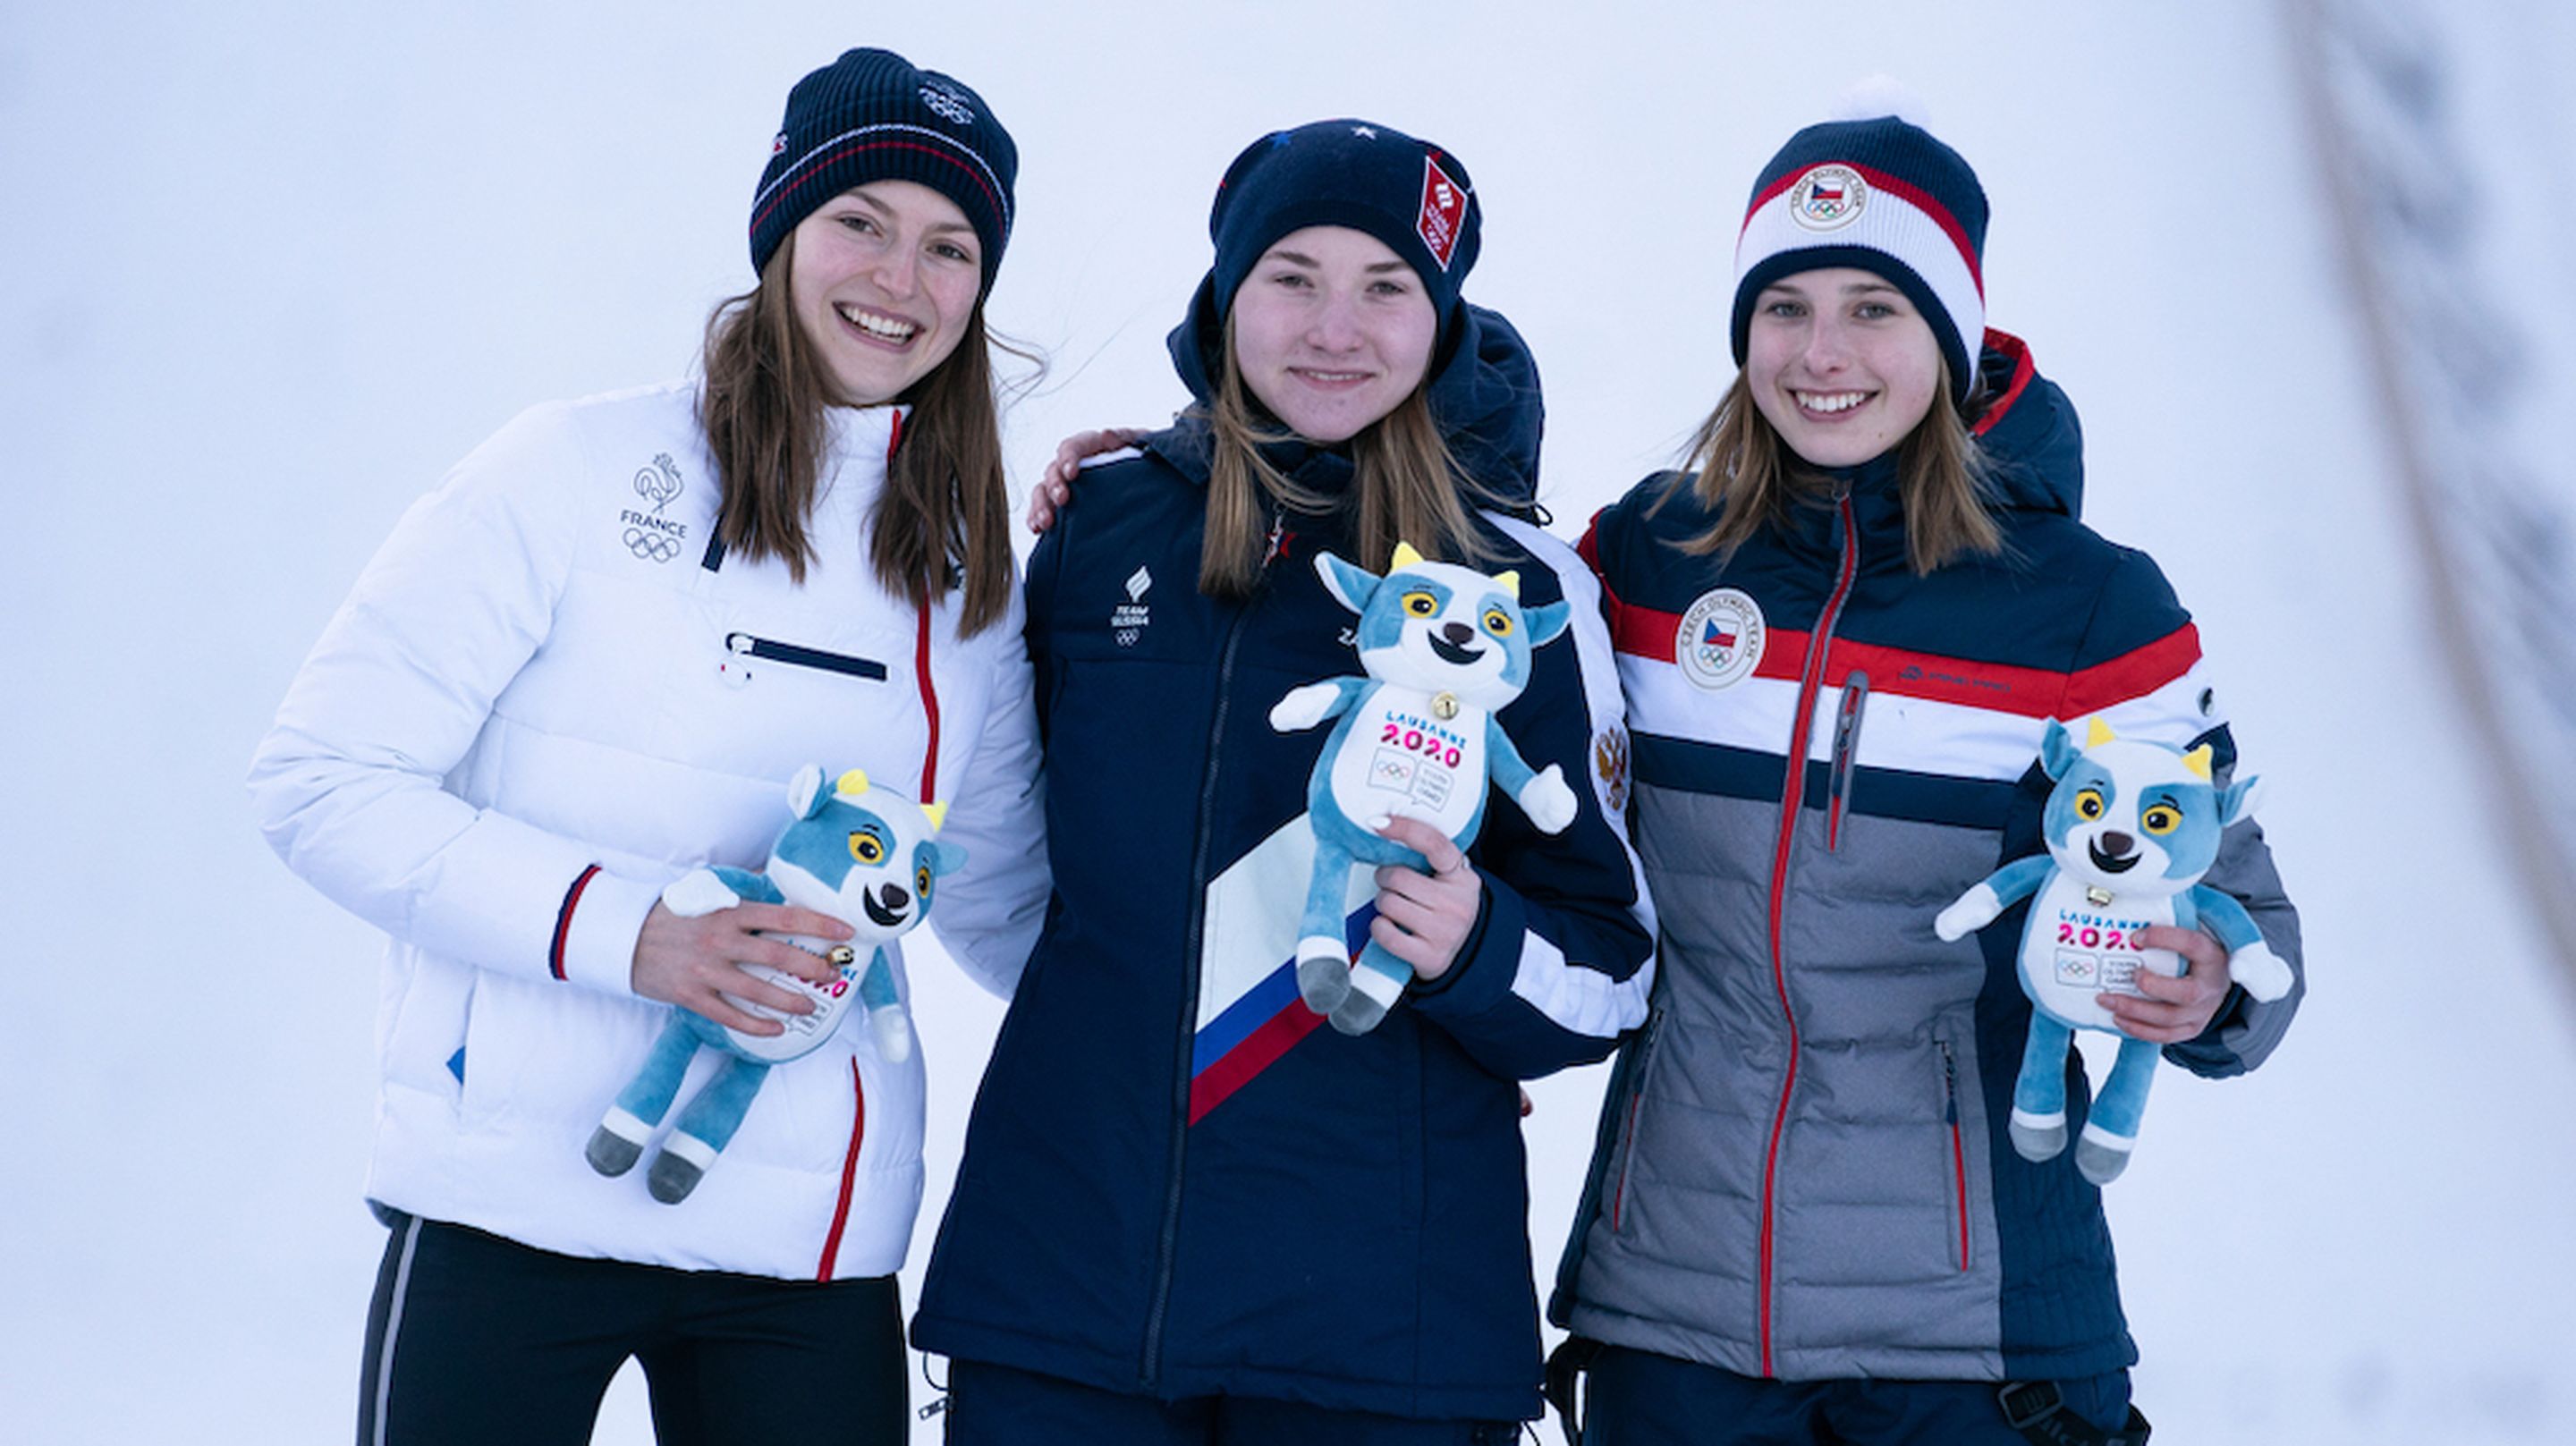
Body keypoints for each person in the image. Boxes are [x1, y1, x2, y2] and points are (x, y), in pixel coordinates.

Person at [245, 47, 1046, 1445]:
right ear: (781, 228)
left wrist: (1342, 1053)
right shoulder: (569, 468)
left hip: (807, 1248)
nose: (898, 279)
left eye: (948, 245)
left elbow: (1011, 909)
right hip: (506, 1205)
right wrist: (640, 938)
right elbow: (321, 781)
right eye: (860, 220)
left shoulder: (968, 581)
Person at [1546, 107, 2306, 1444]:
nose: (1821, 353)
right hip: (1675, 1315)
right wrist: (1181, 465)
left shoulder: (2091, 609)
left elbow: (2257, 954)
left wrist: (2201, 983)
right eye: (1783, 306)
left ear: (1950, 339)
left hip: (1978, 1341)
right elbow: (1435, 586)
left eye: (1873, 308)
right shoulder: (1651, 564)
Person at [909, 120, 1657, 1443]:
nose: (1336, 326)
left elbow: (1613, 966)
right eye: (1292, 276)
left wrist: (1483, 944)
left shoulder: (1519, 598)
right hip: (1066, 1297)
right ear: (1226, 294)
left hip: (1383, 1340)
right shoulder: (1099, 526)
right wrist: (1113, 1033)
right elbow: (1000, 863)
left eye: (1386, 287)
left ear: (1442, 319)